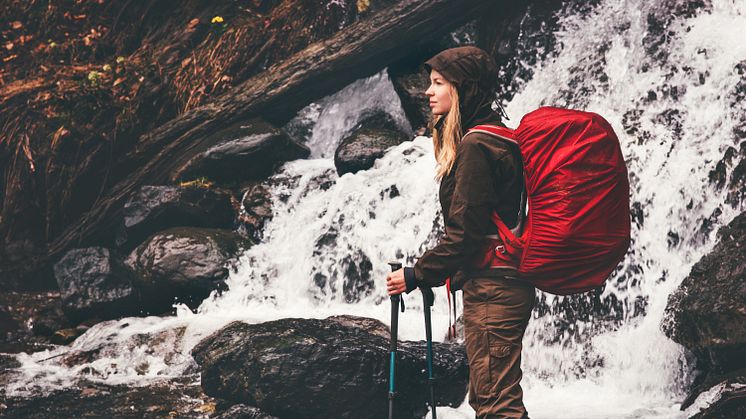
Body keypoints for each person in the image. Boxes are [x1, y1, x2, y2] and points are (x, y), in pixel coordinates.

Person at [385, 46, 536, 419]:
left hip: (492, 288)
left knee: (496, 405)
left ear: (463, 88)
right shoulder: (499, 137)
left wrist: (417, 274)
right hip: (504, 284)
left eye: (438, 83)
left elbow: (464, 234)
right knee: (494, 399)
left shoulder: (476, 145)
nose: (428, 92)